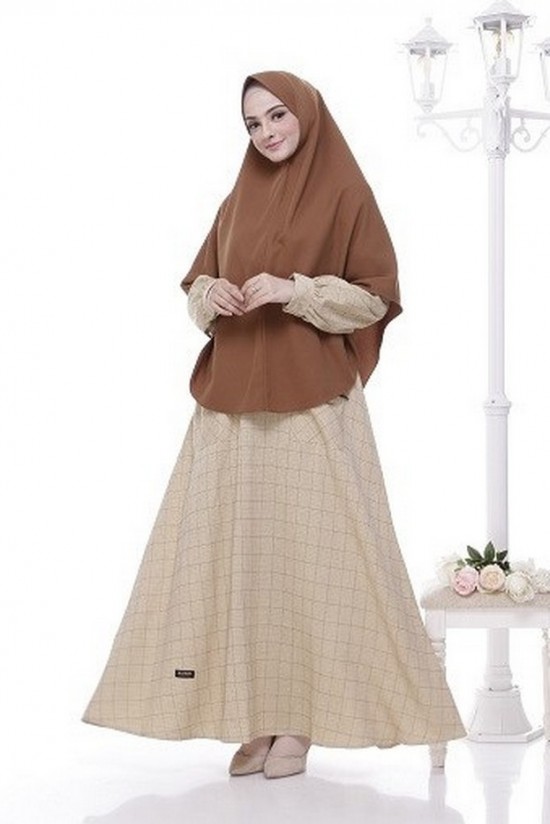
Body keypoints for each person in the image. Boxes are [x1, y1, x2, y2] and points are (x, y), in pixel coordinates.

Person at [82, 70, 466, 779]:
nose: (267, 133)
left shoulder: (347, 194)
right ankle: (257, 717)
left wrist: (296, 290)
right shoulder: (237, 200)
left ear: (307, 114)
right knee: (240, 560)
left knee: (313, 564)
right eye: (253, 124)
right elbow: (195, 287)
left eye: (278, 115)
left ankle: (298, 723)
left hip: (311, 403)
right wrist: (212, 294)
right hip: (230, 407)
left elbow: (375, 298)